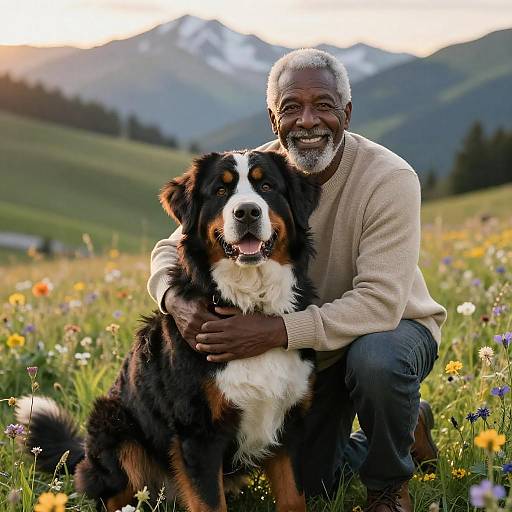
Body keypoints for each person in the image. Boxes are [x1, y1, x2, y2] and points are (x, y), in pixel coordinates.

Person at [147, 48, 447, 512]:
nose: (308, 120)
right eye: (292, 107)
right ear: (273, 119)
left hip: (386, 331)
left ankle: (389, 483)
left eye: (324, 105)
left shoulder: (390, 178)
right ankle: (401, 428)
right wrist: (175, 302)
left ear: (346, 113)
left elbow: (380, 304)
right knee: (317, 482)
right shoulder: (256, 171)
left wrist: (273, 332)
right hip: (308, 353)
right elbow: (173, 245)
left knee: (376, 362)